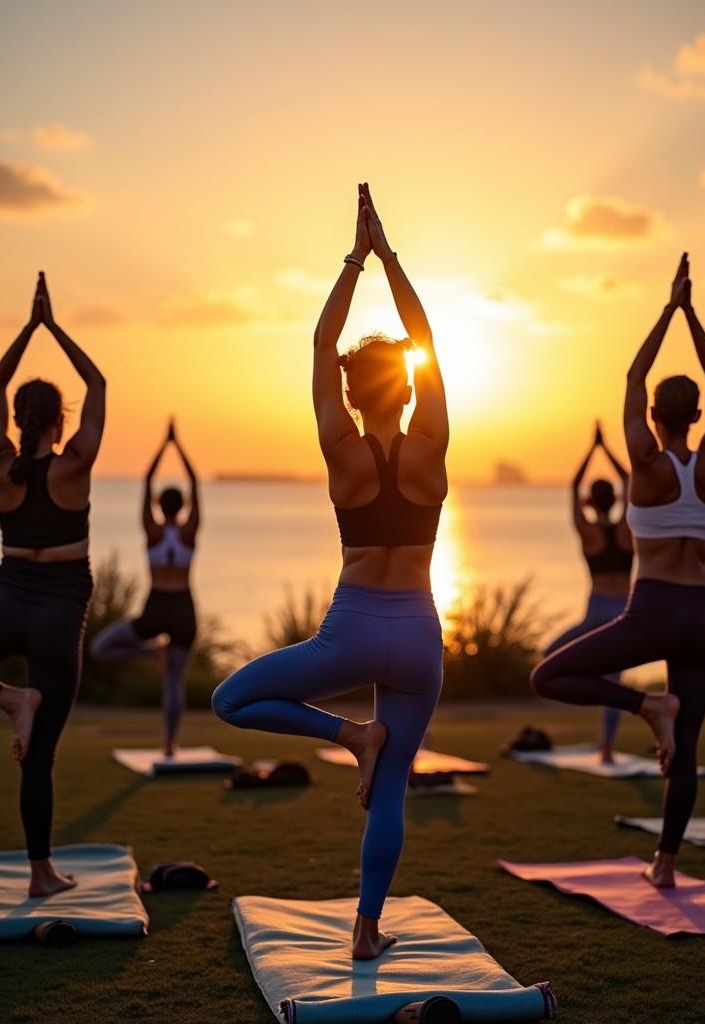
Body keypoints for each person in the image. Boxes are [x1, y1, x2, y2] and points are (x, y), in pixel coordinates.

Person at [212, 183, 448, 958]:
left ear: (349, 394)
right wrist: (392, 256)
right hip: (417, 634)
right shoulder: (430, 448)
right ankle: (366, 930)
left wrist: (355, 259)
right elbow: (428, 335)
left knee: (233, 698)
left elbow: (320, 347)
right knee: (392, 791)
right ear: (409, 385)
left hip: (350, 631)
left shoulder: (342, 452)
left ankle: (349, 733)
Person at [531, 253, 705, 888]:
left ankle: (646, 706)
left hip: (652, 611)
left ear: (653, 416)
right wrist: (694, 315)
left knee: (551, 674)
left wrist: (667, 309)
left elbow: (632, 372)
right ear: (696, 417)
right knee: (689, 747)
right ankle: (666, 866)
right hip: (703, 612)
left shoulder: (643, 461)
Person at [0, 272, 105, 896]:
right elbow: (99, 383)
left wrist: (26, 329)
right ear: (60, 421)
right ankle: (40, 876)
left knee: (26, 726)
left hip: (4, 604)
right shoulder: (75, 465)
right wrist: (53, 327)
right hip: (60, 616)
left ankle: (7, 699)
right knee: (41, 756)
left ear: (13, 421)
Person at [91, 420, 200, 756]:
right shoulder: (188, 533)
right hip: (183, 608)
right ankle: (169, 745)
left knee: (100, 647)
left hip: (156, 608)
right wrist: (178, 446)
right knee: (173, 683)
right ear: (181, 506)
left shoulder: (151, 532)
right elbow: (195, 483)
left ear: (157, 505)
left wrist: (162, 447)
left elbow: (146, 480)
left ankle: (150, 651)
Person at [544, 422, 633, 762]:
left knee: (550, 655)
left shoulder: (588, 532)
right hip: (624, 611)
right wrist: (607, 450)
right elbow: (629, 480)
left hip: (596, 612)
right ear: (615, 500)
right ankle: (607, 748)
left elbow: (572, 486)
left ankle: (582, 683)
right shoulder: (628, 529)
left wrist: (591, 449)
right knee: (614, 681)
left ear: (589, 501)